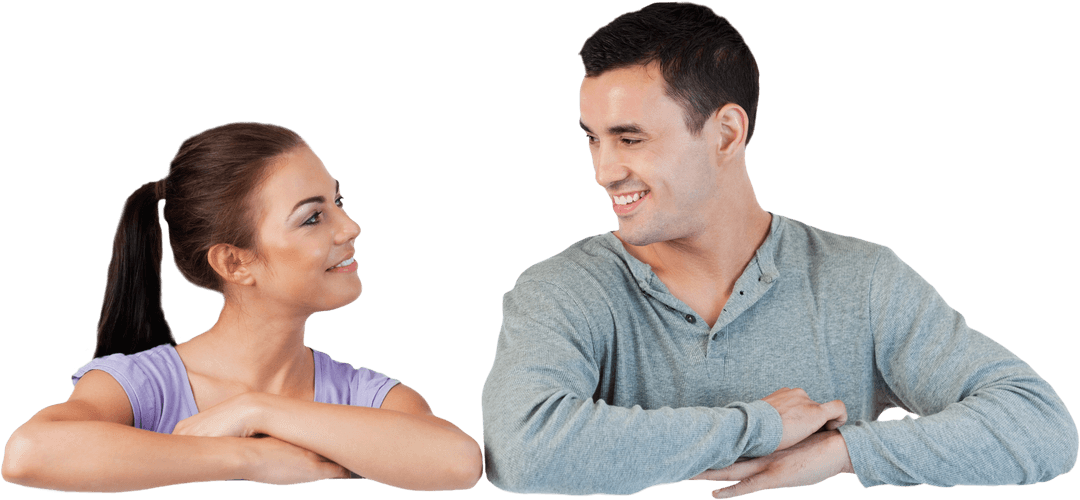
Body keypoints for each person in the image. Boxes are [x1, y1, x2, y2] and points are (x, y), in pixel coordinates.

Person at [480, 3, 1077, 498]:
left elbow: (1040, 427)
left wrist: (844, 452)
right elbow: (521, 451)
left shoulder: (860, 281)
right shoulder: (562, 290)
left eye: (630, 139)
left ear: (726, 133)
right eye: (593, 139)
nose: (604, 171)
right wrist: (759, 425)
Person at [2, 122, 482, 492]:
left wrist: (257, 410)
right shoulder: (143, 388)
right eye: (313, 217)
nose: (350, 227)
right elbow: (28, 454)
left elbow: (458, 463)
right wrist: (250, 459)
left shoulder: (366, 396)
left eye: (339, 201)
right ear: (234, 262)